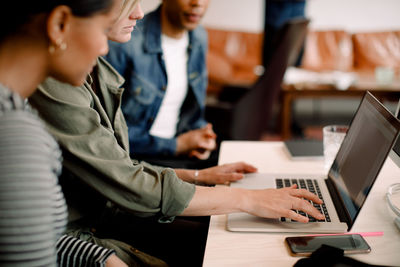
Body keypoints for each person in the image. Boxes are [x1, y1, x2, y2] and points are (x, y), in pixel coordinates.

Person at [29, 1, 325, 266]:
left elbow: (118, 161)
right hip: (99, 219)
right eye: (127, 2)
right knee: (228, 236)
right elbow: (124, 178)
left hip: (115, 204)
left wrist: (200, 173)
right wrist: (246, 198)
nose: (138, 13)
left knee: (234, 235)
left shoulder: (101, 63)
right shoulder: (61, 75)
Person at [0, 0, 144, 266]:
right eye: (103, 29)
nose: (104, 47)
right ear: (59, 25)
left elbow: (22, 236)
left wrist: (98, 257)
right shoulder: (17, 137)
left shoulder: (16, 111)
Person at [105, 0, 217, 169]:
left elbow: (193, 112)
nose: (198, 3)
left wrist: (202, 138)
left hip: (179, 154)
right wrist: (177, 145)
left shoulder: (199, 37)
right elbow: (106, 132)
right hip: (134, 160)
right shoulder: (125, 39)